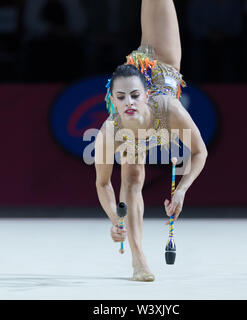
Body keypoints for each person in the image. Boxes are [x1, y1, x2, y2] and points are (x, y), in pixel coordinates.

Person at [94, 0, 208, 282]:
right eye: (120, 98)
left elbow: (199, 152)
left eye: (134, 96)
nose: (128, 103)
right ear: (112, 101)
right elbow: (103, 183)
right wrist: (114, 218)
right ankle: (138, 260)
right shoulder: (111, 131)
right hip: (134, 132)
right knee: (132, 180)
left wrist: (181, 190)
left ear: (146, 95)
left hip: (161, 59)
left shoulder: (168, 109)